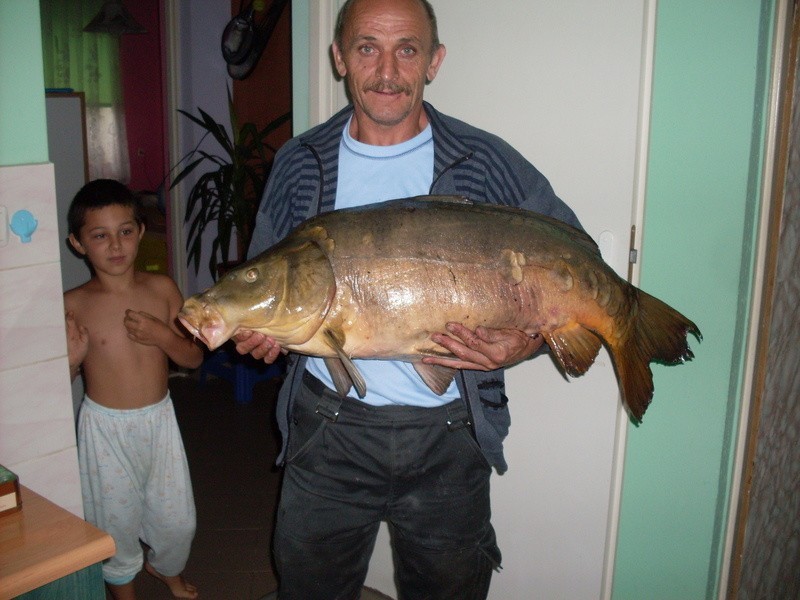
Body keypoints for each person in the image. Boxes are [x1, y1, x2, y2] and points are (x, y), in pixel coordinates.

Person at [235, 0, 583, 598]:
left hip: (451, 435)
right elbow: (266, 281)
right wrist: (257, 333)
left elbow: (569, 258)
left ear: (435, 61)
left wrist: (521, 345)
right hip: (327, 429)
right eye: (367, 47)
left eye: (408, 49)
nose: (388, 70)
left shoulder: (485, 161)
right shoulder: (300, 164)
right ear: (340, 57)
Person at [63, 179, 203, 600]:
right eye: (100, 236)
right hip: (104, 429)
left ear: (141, 231)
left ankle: (166, 569)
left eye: (125, 231)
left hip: (159, 421)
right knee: (114, 522)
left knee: (178, 521)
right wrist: (73, 357)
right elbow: (53, 388)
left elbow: (193, 360)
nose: (116, 245)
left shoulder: (161, 290)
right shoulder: (72, 305)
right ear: (78, 243)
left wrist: (164, 336)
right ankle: (125, 592)